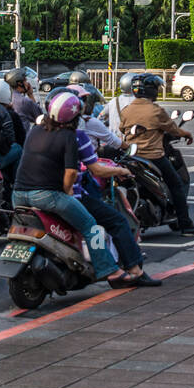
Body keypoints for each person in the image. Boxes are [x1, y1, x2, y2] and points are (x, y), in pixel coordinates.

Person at [13, 93, 137, 287]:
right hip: (47, 196)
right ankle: (109, 270)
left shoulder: (35, 131)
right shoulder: (69, 136)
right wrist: (67, 191)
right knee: (91, 226)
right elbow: (71, 172)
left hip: (18, 194)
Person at [70, 113, 161, 287]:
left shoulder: (38, 134)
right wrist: (121, 171)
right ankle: (116, 270)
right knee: (100, 224)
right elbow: (83, 172)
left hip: (24, 194)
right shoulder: (76, 137)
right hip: (63, 196)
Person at [119, 74, 194, 236]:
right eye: (156, 88)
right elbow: (173, 130)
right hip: (153, 157)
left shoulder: (126, 110)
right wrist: (187, 134)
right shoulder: (156, 110)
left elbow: (123, 129)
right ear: (150, 90)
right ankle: (185, 225)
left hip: (132, 157)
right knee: (176, 185)